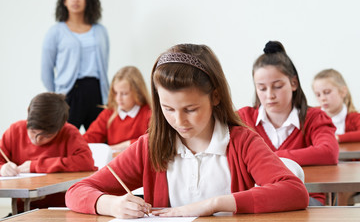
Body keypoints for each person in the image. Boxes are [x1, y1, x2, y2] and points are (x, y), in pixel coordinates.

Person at [65, 44, 308, 219]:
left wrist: (211, 205)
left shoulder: (242, 142)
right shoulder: (150, 146)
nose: (179, 120)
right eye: (168, 108)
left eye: (190, 109)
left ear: (215, 97)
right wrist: (110, 204)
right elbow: (76, 192)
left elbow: (295, 192)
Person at [237, 41, 339, 206]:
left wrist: (266, 158)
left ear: (293, 83)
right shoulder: (243, 118)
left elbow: (329, 152)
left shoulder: (314, 117)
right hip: (257, 201)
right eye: (262, 88)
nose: (270, 95)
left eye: (277, 86)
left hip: (305, 199)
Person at [0, 92, 96, 211]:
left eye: (47, 135)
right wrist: (2, 168)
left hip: (60, 210)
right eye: (33, 132)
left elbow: (86, 162)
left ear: (61, 126)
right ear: (28, 114)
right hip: (22, 211)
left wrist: (35, 165)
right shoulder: (15, 131)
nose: (37, 139)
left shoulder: (69, 133)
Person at [41, 0, 109, 130]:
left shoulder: (100, 31)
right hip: (68, 93)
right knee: (64, 138)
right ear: (64, 1)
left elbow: (104, 66)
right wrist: (58, 95)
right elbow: (46, 70)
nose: (75, 0)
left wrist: (106, 95)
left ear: (88, 0)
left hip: (95, 91)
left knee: (100, 139)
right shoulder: (56, 32)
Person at [83, 66, 151, 152]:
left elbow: (153, 142)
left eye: (124, 94)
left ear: (138, 92)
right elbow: (90, 137)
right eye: (115, 93)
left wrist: (124, 145)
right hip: (114, 163)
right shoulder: (108, 113)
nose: (118, 98)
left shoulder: (149, 113)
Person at [312, 69, 360, 143]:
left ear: (343, 92)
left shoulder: (354, 117)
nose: (322, 98)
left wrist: (336, 138)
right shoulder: (312, 115)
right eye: (318, 95)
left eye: (327, 92)